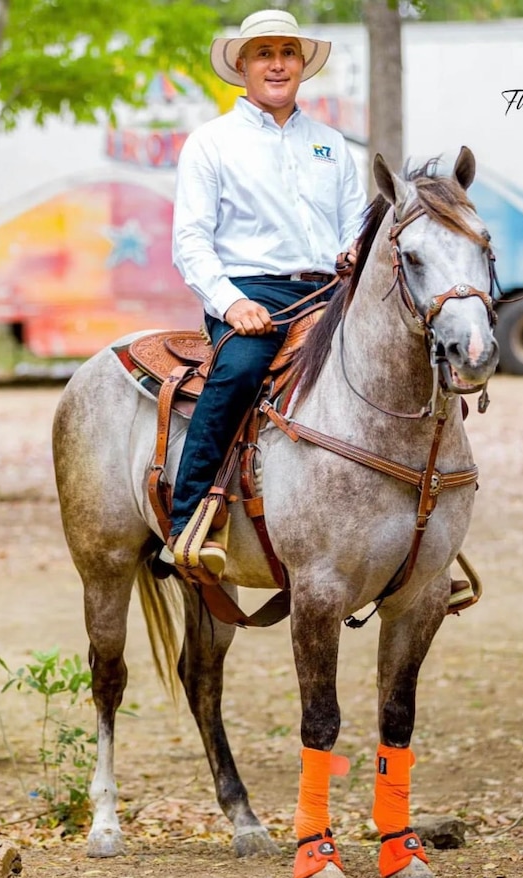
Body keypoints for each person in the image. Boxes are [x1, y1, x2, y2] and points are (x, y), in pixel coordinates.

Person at [166, 9, 368, 576]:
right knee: (237, 373)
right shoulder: (211, 144)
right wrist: (231, 303)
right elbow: (190, 241)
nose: (277, 63)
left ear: (302, 65)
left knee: (398, 362)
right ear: (243, 66)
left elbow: (356, 224)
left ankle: (421, 529)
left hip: (331, 292)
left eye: (287, 52)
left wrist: (356, 250)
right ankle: (188, 523)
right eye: (264, 53)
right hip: (251, 293)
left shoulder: (332, 145)